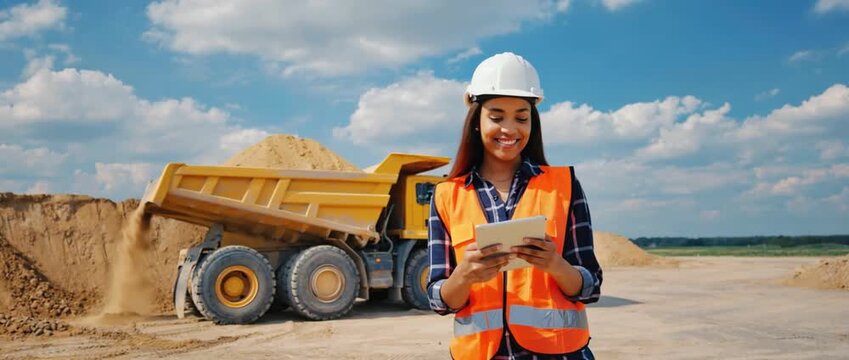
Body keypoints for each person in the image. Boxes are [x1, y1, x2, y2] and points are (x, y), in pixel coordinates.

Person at [427, 52, 602, 360]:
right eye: (496, 117)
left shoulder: (564, 186)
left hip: (559, 354)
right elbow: (440, 299)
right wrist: (464, 276)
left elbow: (590, 285)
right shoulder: (446, 195)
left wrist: (554, 264)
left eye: (521, 117)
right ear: (476, 122)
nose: (510, 129)